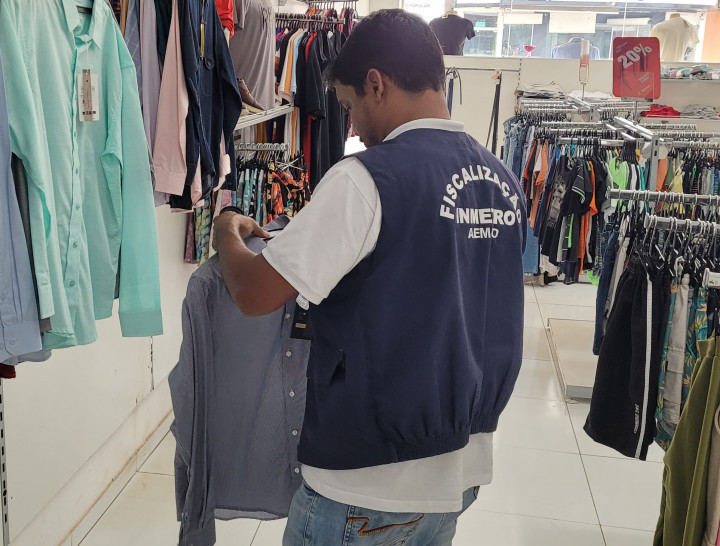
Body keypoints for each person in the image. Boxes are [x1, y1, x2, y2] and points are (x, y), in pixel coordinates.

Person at [212, 9, 526, 546]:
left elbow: (254, 292)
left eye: (349, 106)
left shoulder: (367, 179)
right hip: (460, 471)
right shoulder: (500, 181)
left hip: (367, 481)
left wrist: (225, 231)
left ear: (376, 84)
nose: (352, 126)